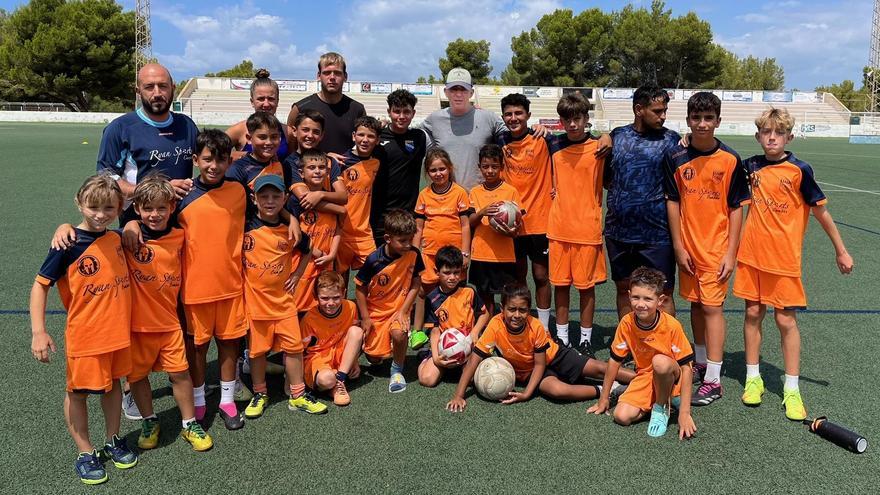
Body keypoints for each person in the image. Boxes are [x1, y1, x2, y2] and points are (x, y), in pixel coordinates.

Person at [734, 108, 854, 420]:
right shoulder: (750, 166)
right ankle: (753, 379)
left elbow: (821, 212)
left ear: (789, 136)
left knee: (785, 321)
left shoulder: (800, 170)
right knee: (752, 313)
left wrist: (840, 250)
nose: (771, 137)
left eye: (778, 133)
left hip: (784, 259)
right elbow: (720, 162)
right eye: (765, 132)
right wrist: (686, 142)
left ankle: (791, 389)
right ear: (758, 135)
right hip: (751, 256)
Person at [30, 174, 138, 485]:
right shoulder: (66, 244)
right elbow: (40, 287)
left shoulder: (116, 238)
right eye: (93, 207)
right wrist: (39, 331)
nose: (100, 214)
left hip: (117, 334)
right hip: (86, 336)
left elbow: (136, 224)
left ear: (118, 208)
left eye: (108, 208)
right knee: (77, 394)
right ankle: (85, 452)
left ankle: (113, 439)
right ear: (80, 203)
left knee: (113, 386)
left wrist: (130, 225)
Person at [663, 91, 750, 406]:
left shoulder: (729, 160)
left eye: (708, 118)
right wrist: (678, 246)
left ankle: (714, 379)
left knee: (713, 309)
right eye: (696, 118)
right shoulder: (675, 157)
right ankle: (700, 363)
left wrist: (730, 253)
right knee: (696, 307)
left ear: (718, 121)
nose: (702, 124)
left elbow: (736, 208)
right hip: (688, 249)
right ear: (688, 121)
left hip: (716, 249)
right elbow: (673, 202)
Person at [124, 176, 212, 452]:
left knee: (180, 375)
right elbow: (94, 234)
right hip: (137, 327)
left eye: (161, 208)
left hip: (169, 323)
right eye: (148, 209)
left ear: (172, 208)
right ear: (137, 209)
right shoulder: (126, 239)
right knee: (138, 377)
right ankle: (150, 420)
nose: (155, 215)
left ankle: (188, 424)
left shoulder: (179, 235)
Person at [446, 283, 632, 412]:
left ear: (529, 310)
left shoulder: (535, 326)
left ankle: (643, 379)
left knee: (599, 368)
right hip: (529, 372)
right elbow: (474, 361)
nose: (517, 315)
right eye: (512, 309)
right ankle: (608, 389)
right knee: (559, 391)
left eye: (523, 310)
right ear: (502, 309)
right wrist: (458, 395)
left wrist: (527, 394)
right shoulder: (495, 326)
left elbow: (541, 364)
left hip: (555, 356)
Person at [170, 129, 250, 430]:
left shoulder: (239, 191)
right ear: (195, 160)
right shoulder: (182, 196)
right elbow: (153, 221)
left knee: (229, 345)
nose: (213, 166)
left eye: (220, 160)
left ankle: (228, 401)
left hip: (231, 286)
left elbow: (268, 214)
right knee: (198, 349)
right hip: (194, 290)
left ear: (229, 162)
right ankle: (200, 400)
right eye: (207, 160)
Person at [240, 174, 327, 418]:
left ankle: (298, 395)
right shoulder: (245, 226)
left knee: (293, 348)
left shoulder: (291, 230)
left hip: (284, 303)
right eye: (263, 196)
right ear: (254, 199)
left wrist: (298, 275)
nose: (269, 201)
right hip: (255, 304)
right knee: (257, 352)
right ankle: (260, 393)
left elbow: (309, 250)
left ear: (285, 198)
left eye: (276, 196)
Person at [588, 267, 697, 439]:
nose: (640, 304)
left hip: (672, 375)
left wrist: (685, 412)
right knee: (621, 416)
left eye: (648, 298)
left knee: (660, 362)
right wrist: (604, 398)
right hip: (645, 376)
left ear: (660, 300)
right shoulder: (626, 323)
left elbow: (687, 368)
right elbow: (614, 360)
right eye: (636, 297)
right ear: (629, 295)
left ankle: (662, 408)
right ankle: (660, 400)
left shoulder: (671, 325)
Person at [605, 85, 681, 319]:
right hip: (619, 232)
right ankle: (628, 344)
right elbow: (607, 179)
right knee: (625, 289)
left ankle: (669, 349)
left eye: (665, 110)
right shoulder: (617, 136)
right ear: (639, 109)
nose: (663, 116)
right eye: (657, 111)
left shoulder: (672, 140)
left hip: (657, 235)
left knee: (663, 294)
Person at [547, 93, 606, 350]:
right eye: (567, 119)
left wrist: (608, 135)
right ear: (561, 121)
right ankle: (561, 336)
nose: (573, 124)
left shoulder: (600, 148)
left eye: (578, 119)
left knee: (586, 288)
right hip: (558, 228)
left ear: (586, 118)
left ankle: (584, 339)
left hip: (587, 228)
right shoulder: (554, 145)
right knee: (560, 286)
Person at [97, 63, 197, 208]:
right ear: (138, 91)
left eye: (163, 86)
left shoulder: (186, 124)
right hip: (140, 221)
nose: (157, 93)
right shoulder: (120, 128)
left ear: (173, 88)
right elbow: (106, 178)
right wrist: (160, 191)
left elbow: (208, 158)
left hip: (183, 218)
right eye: (149, 87)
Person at [354, 209, 424, 393]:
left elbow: (416, 283)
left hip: (399, 308)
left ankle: (397, 370)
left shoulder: (414, 254)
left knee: (400, 333)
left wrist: (403, 311)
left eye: (410, 239)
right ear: (387, 238)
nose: (408, 244)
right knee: (375, 358)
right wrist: (366, 318)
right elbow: (360, 288)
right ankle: (376, 351)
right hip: (375, 311)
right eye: (402, 241)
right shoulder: (374, 260)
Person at [411, 148, 474, 341]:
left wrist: (465, 253)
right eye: (433, 170)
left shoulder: (459, 193)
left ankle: (458, 327)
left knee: (456, 291)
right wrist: (414, 254)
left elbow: (465, 225)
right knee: (424, 290)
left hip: (454, 254)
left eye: (442, 169)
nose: (438, 174)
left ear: (449, 169)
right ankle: (419, 331)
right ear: (427, 173)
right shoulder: (424, 194)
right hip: (430, 253)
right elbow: (419, 228)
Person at [421, 68, 506, 190]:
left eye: (463, 89)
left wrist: (535, 129)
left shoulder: (489, 118)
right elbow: (409, 133)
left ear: (471, 92)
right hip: (449, 197)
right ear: (446, 92)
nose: (458, 94)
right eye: (454, 89)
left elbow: (516, 135)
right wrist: (384, 125)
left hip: (481, 196)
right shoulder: (434, 119)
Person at [417, 246, 490, 387]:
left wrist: (475, 333)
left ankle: (458, 368)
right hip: (445, 348)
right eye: (447, 272)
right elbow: (434, 330)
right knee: (427, 380)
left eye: (456, 272)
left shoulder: (469, 292)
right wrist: (437, 358)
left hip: (468, 346)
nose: (452, 277)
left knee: (471, 380)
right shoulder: (432, 298)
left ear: (462, 272)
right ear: (437, 272)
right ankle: (426, 358)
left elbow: (484, 314)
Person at [468, 144, 523, 315]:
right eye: (485, 166)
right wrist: (482, 212)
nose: (490, 171)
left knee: (507, 296)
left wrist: (510, 231)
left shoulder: (510, 191)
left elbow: (517, 227)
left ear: (502, 167)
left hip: (504, 255)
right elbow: (470, 222)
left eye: (494, 166)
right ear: (479, 167)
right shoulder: (475, 192)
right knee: (485, 296)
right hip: (481, 254)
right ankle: (489, 329)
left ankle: (505, 331)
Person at [371, 89, 428, 247]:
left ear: (413, 113)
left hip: (408, 213)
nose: (401, 116)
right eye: (396, 111)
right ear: (389, 112)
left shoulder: (419, 137)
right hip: (380, 214)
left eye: (406, 112)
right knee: (380, 263)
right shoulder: (377, 136)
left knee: (405, 264)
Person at [289, 150, 344, 312]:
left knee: (321, 308)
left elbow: (339, 229)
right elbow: (293, 234)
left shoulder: (332, 200)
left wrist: (332, 254)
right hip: (302, 264)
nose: (317, 171)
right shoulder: (295, 201)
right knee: (298, 308)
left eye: (321, 167)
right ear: (301, 173)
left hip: (326, 263)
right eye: (311, 167)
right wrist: (317, 252)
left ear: (328, 172)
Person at [301, 271, 365, 406]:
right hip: (318, 358)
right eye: (324, 298)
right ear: (316, 296)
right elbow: (301, 352)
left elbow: (353, 338)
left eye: (336, 297)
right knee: (327, 379)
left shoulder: (351, 307)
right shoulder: (309, 319)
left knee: (357, 331)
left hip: (339, 352)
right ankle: (333, 384)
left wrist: (354, 362)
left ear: (344, 293)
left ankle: (340, 379)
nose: (331, 303)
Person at [286, 52, 366, 154]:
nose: (332, 77)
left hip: (347, 169)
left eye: (337, 73)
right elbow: (291, 147)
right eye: (327, 73)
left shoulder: (357, 109)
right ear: (319, 76)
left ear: (345, 76)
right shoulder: (300, 108)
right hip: (310, 168)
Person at [337, 116, 384, 276]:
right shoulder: (340, 162)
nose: (365, 140)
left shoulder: (376, 163)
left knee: (374, 275)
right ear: (353, 136)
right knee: (339, 278)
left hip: (363, 232)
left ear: (377, 140)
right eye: (361, 135)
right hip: (341, 232)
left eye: (371, 136)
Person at [283, 109, 349, 214]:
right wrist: (340, 210)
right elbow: (305, 198)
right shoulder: (289, 163)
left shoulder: (330, 161)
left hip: (329, 227)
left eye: (316, 132)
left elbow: (343, 196)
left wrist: (320, 194)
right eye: (305, 130)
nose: (310, 135)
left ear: (322, 135)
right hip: (302, 226)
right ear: (295, 131)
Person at [227, 69, 292, 161]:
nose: (266, 104)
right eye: (261, 99)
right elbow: (213, 152)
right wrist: (250, 156)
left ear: (277, 101)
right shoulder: (239, 130)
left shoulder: (287, 132)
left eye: (271, 99)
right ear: (252, 101)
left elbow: (295, 161)